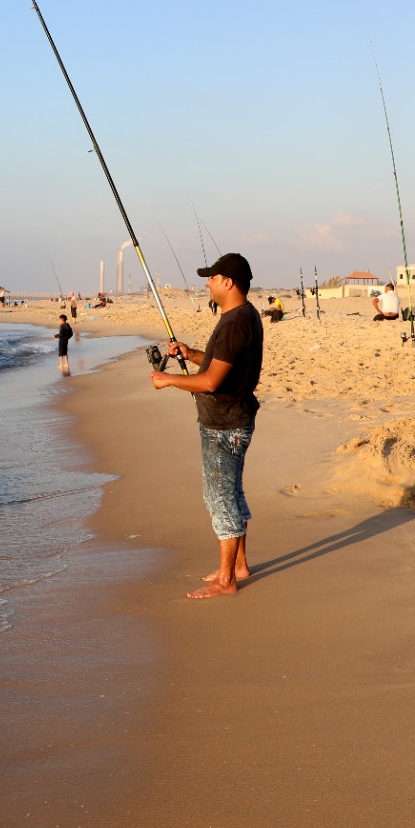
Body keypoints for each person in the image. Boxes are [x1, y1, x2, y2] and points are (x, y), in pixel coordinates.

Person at [150, 253, 263, 600]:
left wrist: (168, 379)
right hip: (233, 420)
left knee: (220, 499)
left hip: (224, 425)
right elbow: (221, 365)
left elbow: (212, 381)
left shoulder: (235, 322)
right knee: (232, 494)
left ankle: (226, 580)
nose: (208, 284)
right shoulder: (243, 316)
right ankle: (238, 566)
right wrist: (190, 354)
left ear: (228, 282)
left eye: (211, 278)